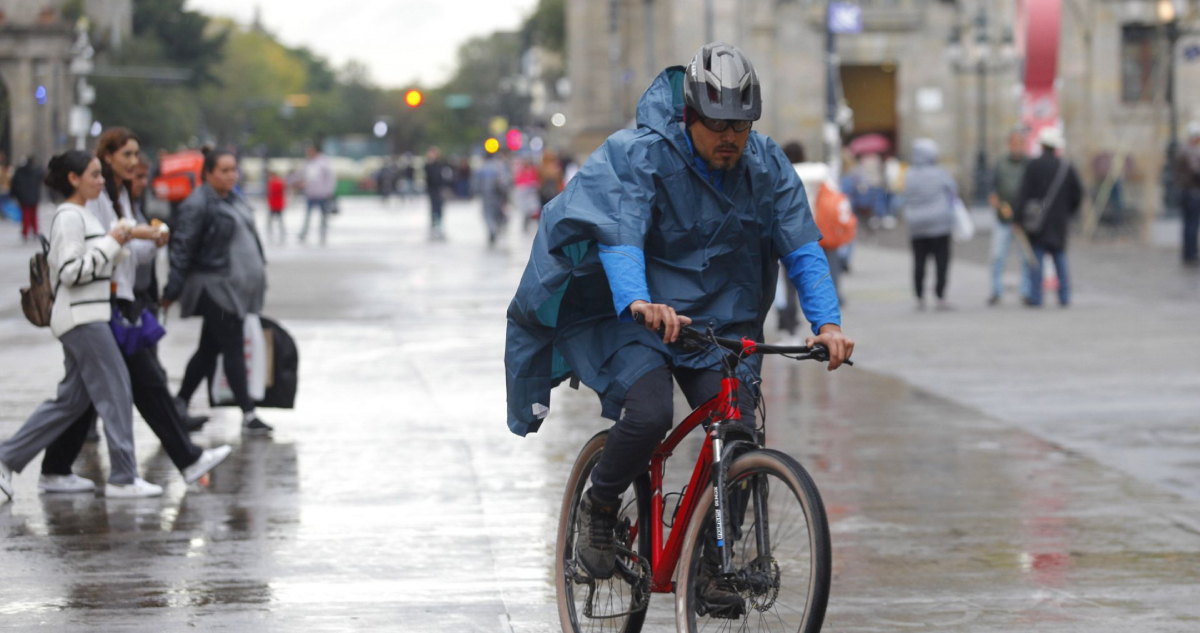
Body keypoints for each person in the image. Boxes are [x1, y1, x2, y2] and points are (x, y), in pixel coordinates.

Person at [505, 43, 852, 614]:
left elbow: (804, 249)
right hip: (636, 317)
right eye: (716, 123)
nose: (729, 136)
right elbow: (621, 230)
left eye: (740, 125)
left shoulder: (767, 166)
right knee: (648, 413)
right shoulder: (642, 155)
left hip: (719, 325)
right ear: (689, 115)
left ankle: (716, 562)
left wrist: (828, 323)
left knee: (739, 431)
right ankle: (600, 506)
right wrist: (639, 299)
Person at [42, 132, 232, 489]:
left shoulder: (119, 195)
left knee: (84, 396)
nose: (134, 162)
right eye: (127, 155)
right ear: (106, 158)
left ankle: (53, 467)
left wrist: (150, 239)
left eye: (136, 155)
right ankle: (132, 474)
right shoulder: (88, 203)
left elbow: (123, 247)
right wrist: (130, 238)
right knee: (131, 386)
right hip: (104, 304)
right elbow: (95, 253)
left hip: (116, 299)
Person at [0, 151, 163, 500]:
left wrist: (119, 242)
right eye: (94, 175)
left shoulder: (80, 215)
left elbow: (90, 263)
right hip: (82, 317)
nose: (102, 181)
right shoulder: (69, 217)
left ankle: (8, 459)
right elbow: (70, 271)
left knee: (71, 402)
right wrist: (111, 243)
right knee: (116, 391)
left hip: (86, 315)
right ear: (73, 179)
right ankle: (123, 475)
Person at [164, 149, 273, 436]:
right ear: (208, 173)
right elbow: (182, 248)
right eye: (223, 170)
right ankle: (248, 413)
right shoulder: (198, 204)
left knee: (208, 350)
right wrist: (172, 289)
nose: (230, 175)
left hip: (233, 289)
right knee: (232, 346)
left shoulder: (234, 199)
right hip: (214, 287)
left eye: (233, 169)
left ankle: (179, 403)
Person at [1015, 127, 1083, 307]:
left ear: (1042, 145)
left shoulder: (1033, 165)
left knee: (1036, 260)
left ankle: (1036, 297)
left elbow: (1023, 193)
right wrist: (1068, 211)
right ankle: (1064, 296)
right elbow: (1078, 194)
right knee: (1059, 258)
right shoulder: (1066, 167)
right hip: (1059, 221)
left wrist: (1018, 218)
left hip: (1037, 221)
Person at [902, 138, 957, 311]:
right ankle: (940, 295)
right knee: (941, 261)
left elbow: (905, 195)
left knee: (919, 261)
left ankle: (919, 296)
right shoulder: (940, 173)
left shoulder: (909, 174)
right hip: (939, 224)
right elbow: (953, 190)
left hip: (916, 225)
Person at [988, 129, 1033, 305]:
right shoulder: (1001, 163)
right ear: (1009, 145)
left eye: (1019, 143)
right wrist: (999, 206)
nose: (1016, 147)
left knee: (1025, 257)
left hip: (1023, 219)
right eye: (1013, 143)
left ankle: (1026, 290)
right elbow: (993, 190)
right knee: (998, 255)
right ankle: (996, 290)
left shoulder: (1029, 164)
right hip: (1003, 216)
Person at [298, 143, 336, 245]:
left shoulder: (323, 163)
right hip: (310, 194)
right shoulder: (307, 163)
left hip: (321, 194)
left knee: (323, 216)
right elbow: (304, 176)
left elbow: (330, 178)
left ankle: (323, 234)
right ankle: (304, 234)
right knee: (308, 216)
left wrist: (329, 191)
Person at [1176, 122, 1200, 267]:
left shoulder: (1184, 149)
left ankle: (1189, 252)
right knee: (1192, 223)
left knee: (1188, 223)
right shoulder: (1190, 151)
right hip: (1192, 191)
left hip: (1186, 191)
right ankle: (1190, 253)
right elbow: (1196, 170)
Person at [473, 152, 510, 246]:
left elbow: (476, 183)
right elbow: (505, 181)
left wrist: (476, 192)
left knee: (487, 214)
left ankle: (491, 229)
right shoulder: (499, 167)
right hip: (498, 195)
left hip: (486, 195)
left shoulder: (481, 168)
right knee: (498, 213)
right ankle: (497, 227)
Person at [12, 155, 44, 241]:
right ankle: (35, 231)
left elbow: (14, 184)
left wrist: (15, 194)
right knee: (33, 216)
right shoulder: (36, 171)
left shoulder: (20, 171)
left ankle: (25, 232)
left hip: (24, 197)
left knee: (25, 215)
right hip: (33, 197)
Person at [424, 147, 447, 239]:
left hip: (439, 189)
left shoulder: (440, 164)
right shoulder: (428, 165)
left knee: (439, 207)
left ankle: (439, 223)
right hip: (432, 189)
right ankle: (434, 223)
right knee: (433, 207)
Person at [266, 170, 287, 243]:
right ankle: (282, 231)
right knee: (280, 220)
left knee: (270, 220)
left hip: (273, 204)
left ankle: (270, 231)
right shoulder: (281, 182)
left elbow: (270, 193)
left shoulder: (272, 183)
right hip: (279, 204)